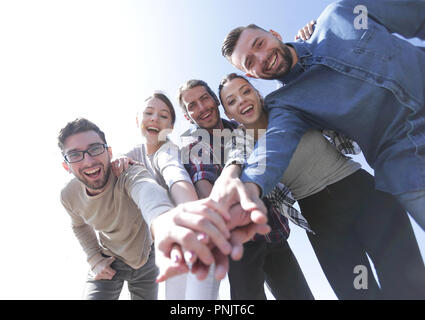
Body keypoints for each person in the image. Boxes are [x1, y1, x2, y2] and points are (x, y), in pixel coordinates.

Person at [216, 72, 425, 299]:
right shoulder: (241, 140)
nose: (242, 100)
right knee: (359, 289)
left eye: (246, 91)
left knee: (404, 279)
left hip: (363, 194)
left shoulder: (287, 105)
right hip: (322, 220)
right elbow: (235, 158)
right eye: (232, 101)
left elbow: (311, 78)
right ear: (228, 113)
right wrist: (229, 174)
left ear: (257, 93)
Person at [220, 0, 425, 230]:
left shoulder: (342, 14)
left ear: (274, 33)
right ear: (253, 75)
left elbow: (417, 14)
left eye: (259, 44)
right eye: (251, 62)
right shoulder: (287, 104)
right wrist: (249, 187)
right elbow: (273, 146)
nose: (262, 57)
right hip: (407, 164)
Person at [58, 118, 266, 299]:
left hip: (146, 260)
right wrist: (94, 258)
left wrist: (165, 219)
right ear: (66, 165)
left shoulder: (129, 172)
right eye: (75, 155)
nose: (88, 160)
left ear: (108, 152)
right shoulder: (68, 195)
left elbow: (148, 191)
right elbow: (79, 226)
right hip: (109, 260)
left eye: (95, 149)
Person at [177, 79, 314, 300]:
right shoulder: (194, 146)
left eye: (204, 98)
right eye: (192, 105)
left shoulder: (241, 128)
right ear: (187, 116)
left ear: (216, 100)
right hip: (238, 243)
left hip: (274, 230)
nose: (201, 108)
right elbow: (202, 179)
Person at [111, 91, 220, 300]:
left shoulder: (168, 151)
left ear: (170, 127)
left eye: (163, 116)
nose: (154, 118)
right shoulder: (136, 152)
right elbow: (118, 159)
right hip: (165, 241)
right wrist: (118, 158)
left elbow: (175, 174)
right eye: (149, 113)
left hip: (191, 232)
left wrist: (192, 214)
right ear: (138, 120)